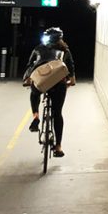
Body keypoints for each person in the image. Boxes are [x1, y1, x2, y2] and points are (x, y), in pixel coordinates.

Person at [23, 27, 75, 157]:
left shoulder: (38, 48)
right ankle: (58, 147)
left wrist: (28, 79)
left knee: (34, 93)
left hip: (41, 80)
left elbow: (30, 65)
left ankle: (36, 116)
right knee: (57, 113)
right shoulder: (65, 50)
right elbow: (70, 67)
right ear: (60, 39)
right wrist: (71, 81)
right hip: (58, 83)